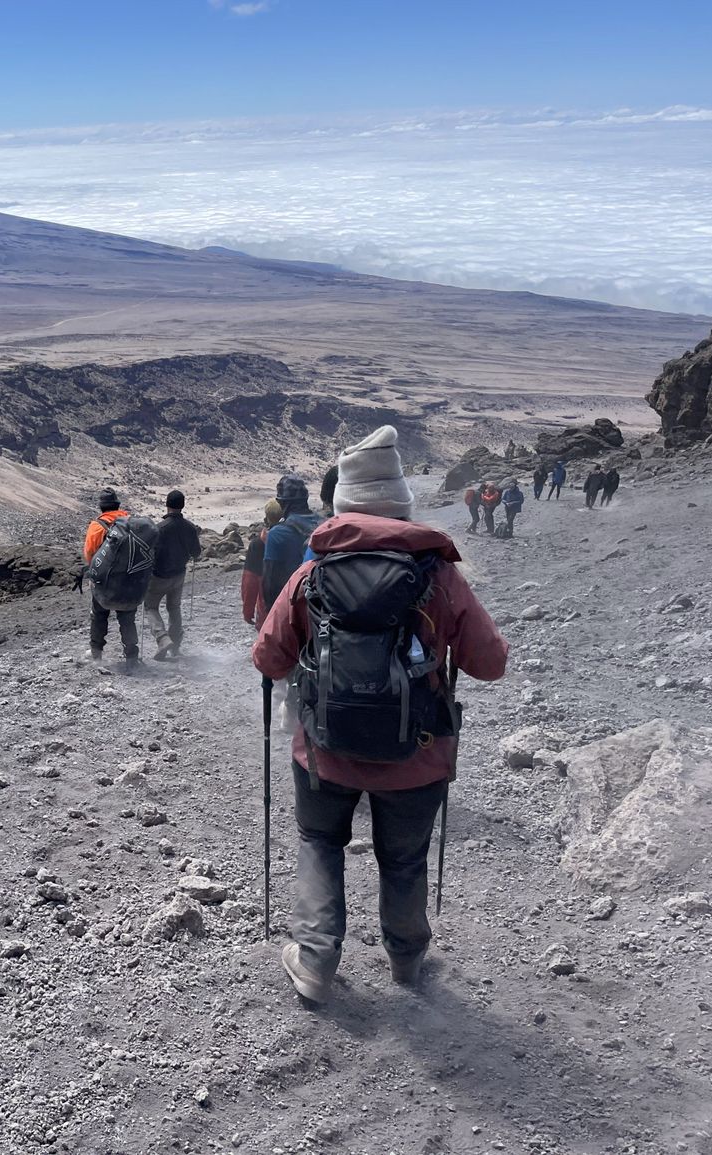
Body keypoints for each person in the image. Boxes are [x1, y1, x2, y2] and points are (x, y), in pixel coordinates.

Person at [253, 425, 509, 1004]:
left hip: (323, 750)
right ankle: (407, 962)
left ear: (344, 504)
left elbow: (268, 659)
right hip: (417, 755)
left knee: (320, 841)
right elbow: (489, 664)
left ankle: (315, 962)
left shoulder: (312, 574)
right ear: (401, 503)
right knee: (405, 856)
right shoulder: (438, 576)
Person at [83, 488, 139, 665]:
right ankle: (131, 655)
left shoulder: (96, 526)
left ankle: (96, 655)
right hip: (129, 581)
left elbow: (90, 554)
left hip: (104, 582)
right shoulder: (132, 523)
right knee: (127, 618)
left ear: (101, 507)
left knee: (99, 616)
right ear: (117, 505)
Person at [145, 489, 202, 659]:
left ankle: (163, 639)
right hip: (179, 575)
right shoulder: (190, 528)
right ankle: (175, 645)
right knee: (174, 608)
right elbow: (196, 553)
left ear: (167, 505)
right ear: (182, 506)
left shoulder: (159, 528)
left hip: (159, 576)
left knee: (150, 606)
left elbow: (150, 553)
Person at [261, 475, 323, 616]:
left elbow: (270, 582)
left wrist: (270, 615)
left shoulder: (277, 534)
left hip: (294, 607)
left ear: (281, 503)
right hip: (324, 607)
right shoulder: (326, 523)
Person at [240, 499, 283, 627]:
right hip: (288, 605)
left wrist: (247, 612)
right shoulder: (293, 537)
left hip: (265, 607)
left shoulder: (257, 544)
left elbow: (250, 582)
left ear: (266, 518)